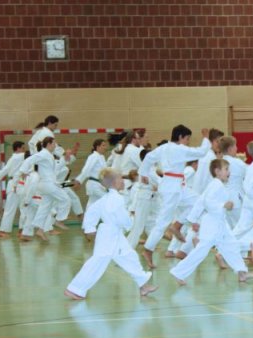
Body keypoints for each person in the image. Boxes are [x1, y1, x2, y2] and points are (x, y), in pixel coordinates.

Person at [64, 168, 158, 300]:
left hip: (112, 233)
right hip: (109, 234)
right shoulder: (116, 199)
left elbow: (92, 210)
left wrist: (90, 227)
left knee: (128, 256)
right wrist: (130, 220)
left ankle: (143, 285)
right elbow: (121, 218)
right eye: (120, 178)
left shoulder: (107, 198)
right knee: (98, 261)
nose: (123, 181)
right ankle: (75, 289)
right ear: (115, 182)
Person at [170, 159, 253, 285]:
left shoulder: (217, 184)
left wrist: (193, 219)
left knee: (231, 246)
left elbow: (200, 201)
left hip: (220, 223)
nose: (229, 172)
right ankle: (178, 272)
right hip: (212, 224)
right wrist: (223, 205)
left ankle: (242, 272)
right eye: (226, 169)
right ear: (217, 171)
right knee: (201, 251)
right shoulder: (216, 185)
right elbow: (207, 202)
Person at [138, 124, 210, 268]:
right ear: (180, 137)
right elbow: (202, 152)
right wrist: (206, 138)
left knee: (198, 202)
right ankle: (148, 250)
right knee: (162, 222)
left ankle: (177, 225)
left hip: (177, 186)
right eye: (187, 139)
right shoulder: (179, 149)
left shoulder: (163, 148)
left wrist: (144, 173)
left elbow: (149, 158)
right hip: (171, 188)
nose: (188, 142)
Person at [17, 136, 71, 241]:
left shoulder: (49, 155)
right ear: (49, 144)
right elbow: (30, 159)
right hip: (48, 184)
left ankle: (40, 230)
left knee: (44, 208)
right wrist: (23, 171)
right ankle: (59, 220)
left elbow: (56, 168)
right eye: (54, 143)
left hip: (46, 185)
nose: (55, 145)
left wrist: (65, 158)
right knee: (65, 199)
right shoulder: (43, 153)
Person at [0, 140, 27, 237]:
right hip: (16, 183)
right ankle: (19, 231)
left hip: (19, 183)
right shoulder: (20, 156)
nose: (24, 150)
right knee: (22, 208)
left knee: (13, 209)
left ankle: (8, 231)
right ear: (18, 148)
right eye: (23, 148)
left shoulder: (13, 158)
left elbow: (4, 170)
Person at [220, 136, 247, 228]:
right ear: (230, 149)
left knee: (228, 227)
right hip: (236, 199)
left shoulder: (219, 162)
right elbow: (249, 174)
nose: (237, 148)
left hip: (222, 199)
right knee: (240, 227)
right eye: (235, 146)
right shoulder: (237, 162)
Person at [73, 138, 108, 208]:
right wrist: (79, 181)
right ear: (98, 147)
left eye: (105, 145)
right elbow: (86, 169)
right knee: (108, 199)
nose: (105, 147)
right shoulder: (93, 156)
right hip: (94, 185)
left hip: (98, 185)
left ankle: (88, 215)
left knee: (92, 204)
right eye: (103, 145)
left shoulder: (101, 157)